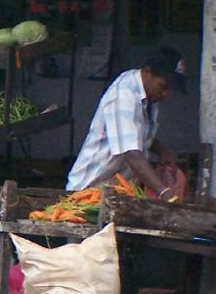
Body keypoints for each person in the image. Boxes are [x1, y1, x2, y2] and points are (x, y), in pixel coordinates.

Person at [66, 47, 186, 196]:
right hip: (88, 191)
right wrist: (164, 192)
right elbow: (131, 153)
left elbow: (136, 132)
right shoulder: (124, 94)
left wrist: (161, 150)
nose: (166, 94)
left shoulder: (149, 97)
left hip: (114, 192)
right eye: (163, 87)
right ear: (147, 72)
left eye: (170, 89)